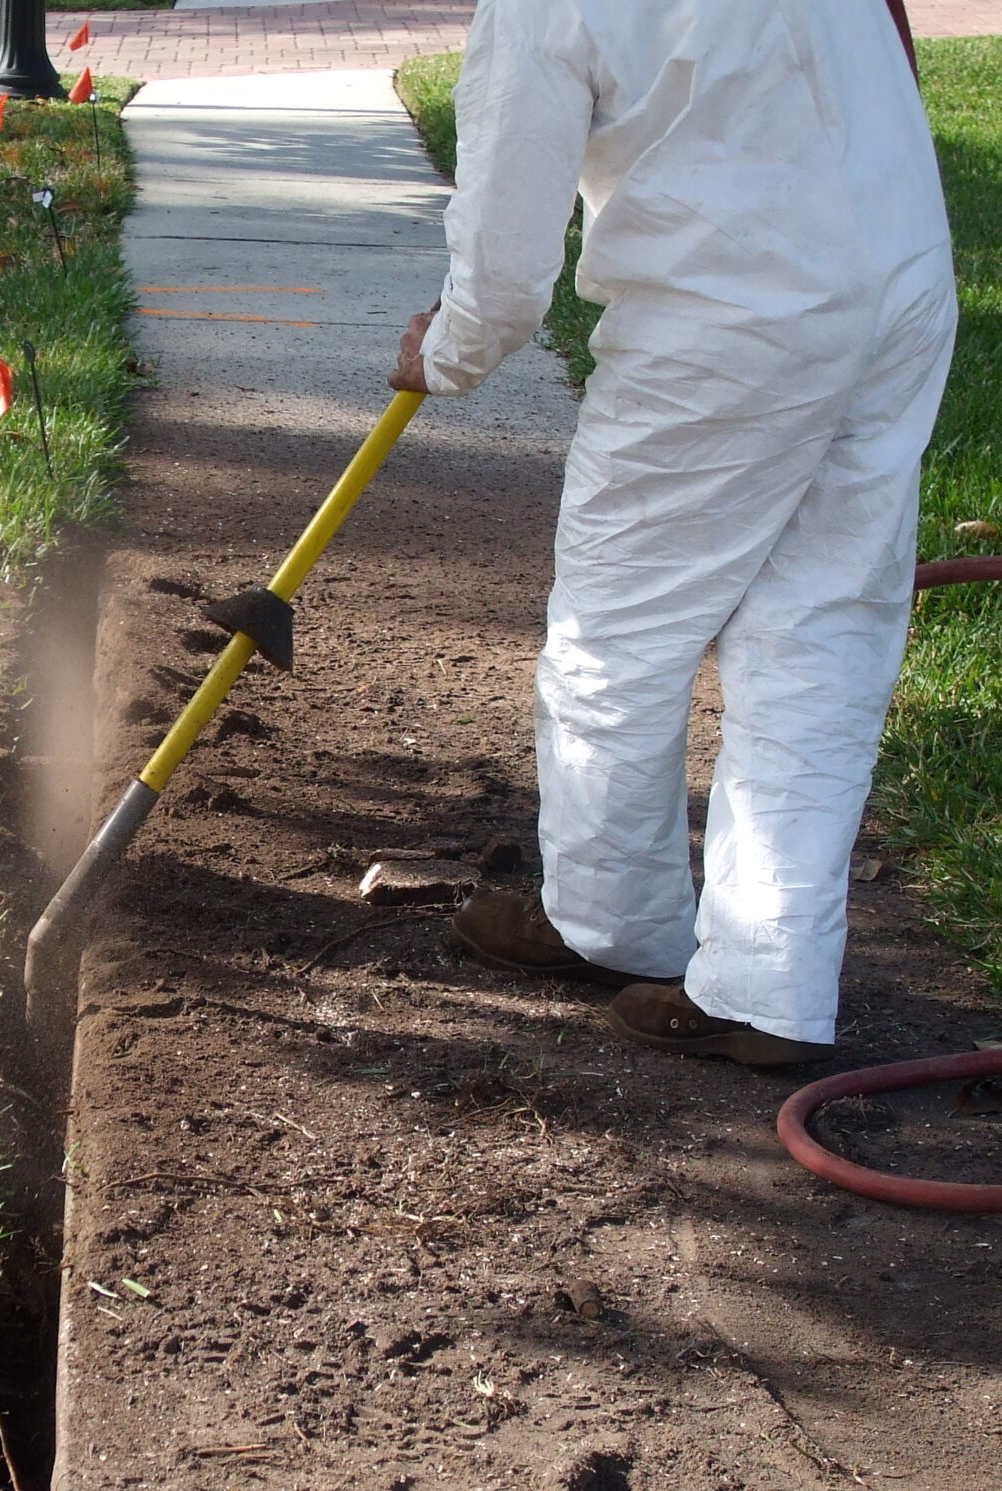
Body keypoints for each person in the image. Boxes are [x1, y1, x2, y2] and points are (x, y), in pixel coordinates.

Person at [391, 0, 954, 1068]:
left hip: (727, 321)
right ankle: (768, 985)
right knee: (820, 633)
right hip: (896, 280)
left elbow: (507, 274)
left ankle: (607, 925)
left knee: (618, 632)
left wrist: (446, 352)